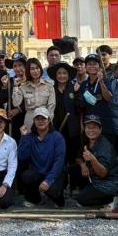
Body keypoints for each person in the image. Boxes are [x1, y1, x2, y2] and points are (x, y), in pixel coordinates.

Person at [18, 107, 66, 207]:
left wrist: (48, 181)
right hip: (38, 172)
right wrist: (23, 137)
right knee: (26, 176)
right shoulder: (29, 137)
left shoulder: (57, 137)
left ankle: (58, 198)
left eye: (43, 118)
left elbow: (59, 162)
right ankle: (36, 200)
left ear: (49, 120)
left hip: (55, 173)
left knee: (54, 193)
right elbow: (22, 156)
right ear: (34, 121)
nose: (40, 121)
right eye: (37, 118)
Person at [72, 114, 118, 209]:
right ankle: (93, 194)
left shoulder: (104, 146)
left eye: (94, 127)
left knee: (81, 200)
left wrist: (92, 159)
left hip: (109, 182)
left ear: (100, 129)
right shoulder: (86, 141)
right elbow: (78, 158)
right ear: (84, 129)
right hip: (94, 178)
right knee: (74, 169)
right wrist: (83, 164)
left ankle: (110, 199)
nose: (91, 130)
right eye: (88, 127)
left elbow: (103, 173)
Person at [46, 61, 82, 192]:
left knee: (73, 158)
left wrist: (77, 93)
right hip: (56, 129)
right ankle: (61, 185)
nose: (62, 76)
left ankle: (74, 185)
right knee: (60, 158)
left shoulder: (74, 88)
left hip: (73, 130)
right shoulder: (51, 89)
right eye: (59, 73)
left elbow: (81, 106)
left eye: (64, 73)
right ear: (55, 76)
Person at [74, 54, 114, 145]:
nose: (92, 66)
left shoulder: (106, 81)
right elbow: (81, 108)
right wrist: (81, 125)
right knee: (89, 149)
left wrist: (101, 81)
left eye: (95, 64)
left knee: (105, 148)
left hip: (104, 123)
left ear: (99, 66)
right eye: (89, 64)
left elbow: (107, 98)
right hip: (89, 124)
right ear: (86, 67)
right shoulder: (83, 84)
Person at [12, 58, 55, 129]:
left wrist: (49, 120)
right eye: (32, 69)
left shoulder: (48, 85)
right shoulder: (23, 86)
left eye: (37, 68)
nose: (35, 71)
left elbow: (51, 105)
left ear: (40, 69)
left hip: (45, 117)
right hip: (30, 118)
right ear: (28, 71)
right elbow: (16, 103)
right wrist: (15, 86)